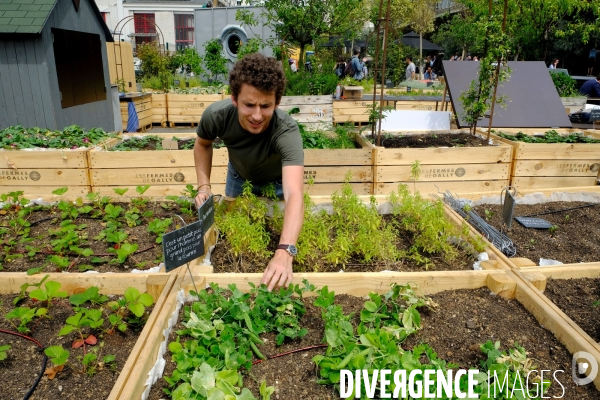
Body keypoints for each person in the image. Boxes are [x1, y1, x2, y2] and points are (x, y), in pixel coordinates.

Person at [193, 53, 304, 291]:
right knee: (234, 230)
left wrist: (285, 252)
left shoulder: (286, 131)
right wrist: (204, 186)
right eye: (249, 105)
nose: (256, 115)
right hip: (238, 178)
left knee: (276, 227)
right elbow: (203, 144)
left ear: (277, 102)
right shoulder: (217, 116)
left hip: (277, 183)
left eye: (266, 106)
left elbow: (295, 192)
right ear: (234, 98)